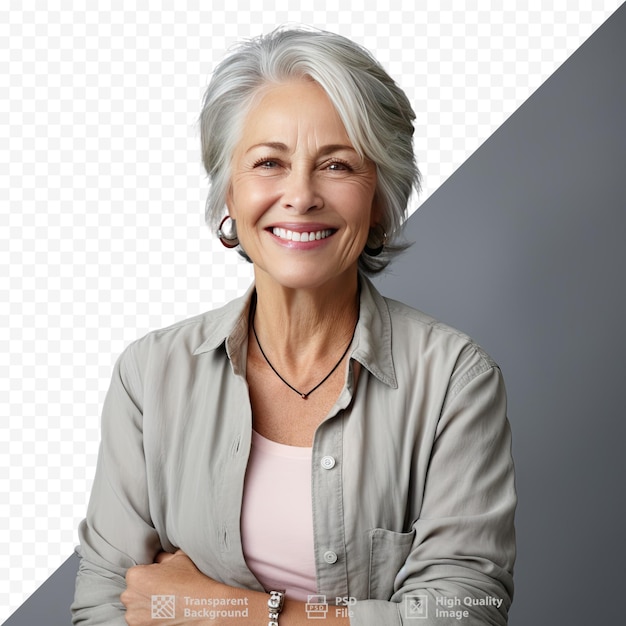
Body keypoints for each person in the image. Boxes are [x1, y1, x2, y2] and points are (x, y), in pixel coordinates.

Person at [71, 26, 516, 625]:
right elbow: (105, 606)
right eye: (269, 163)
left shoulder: (455, 380)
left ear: (380, 201)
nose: (300, 196)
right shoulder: (150, 375)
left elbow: (466, 613)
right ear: (228, 192)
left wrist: (230, 611)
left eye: (336, 164)